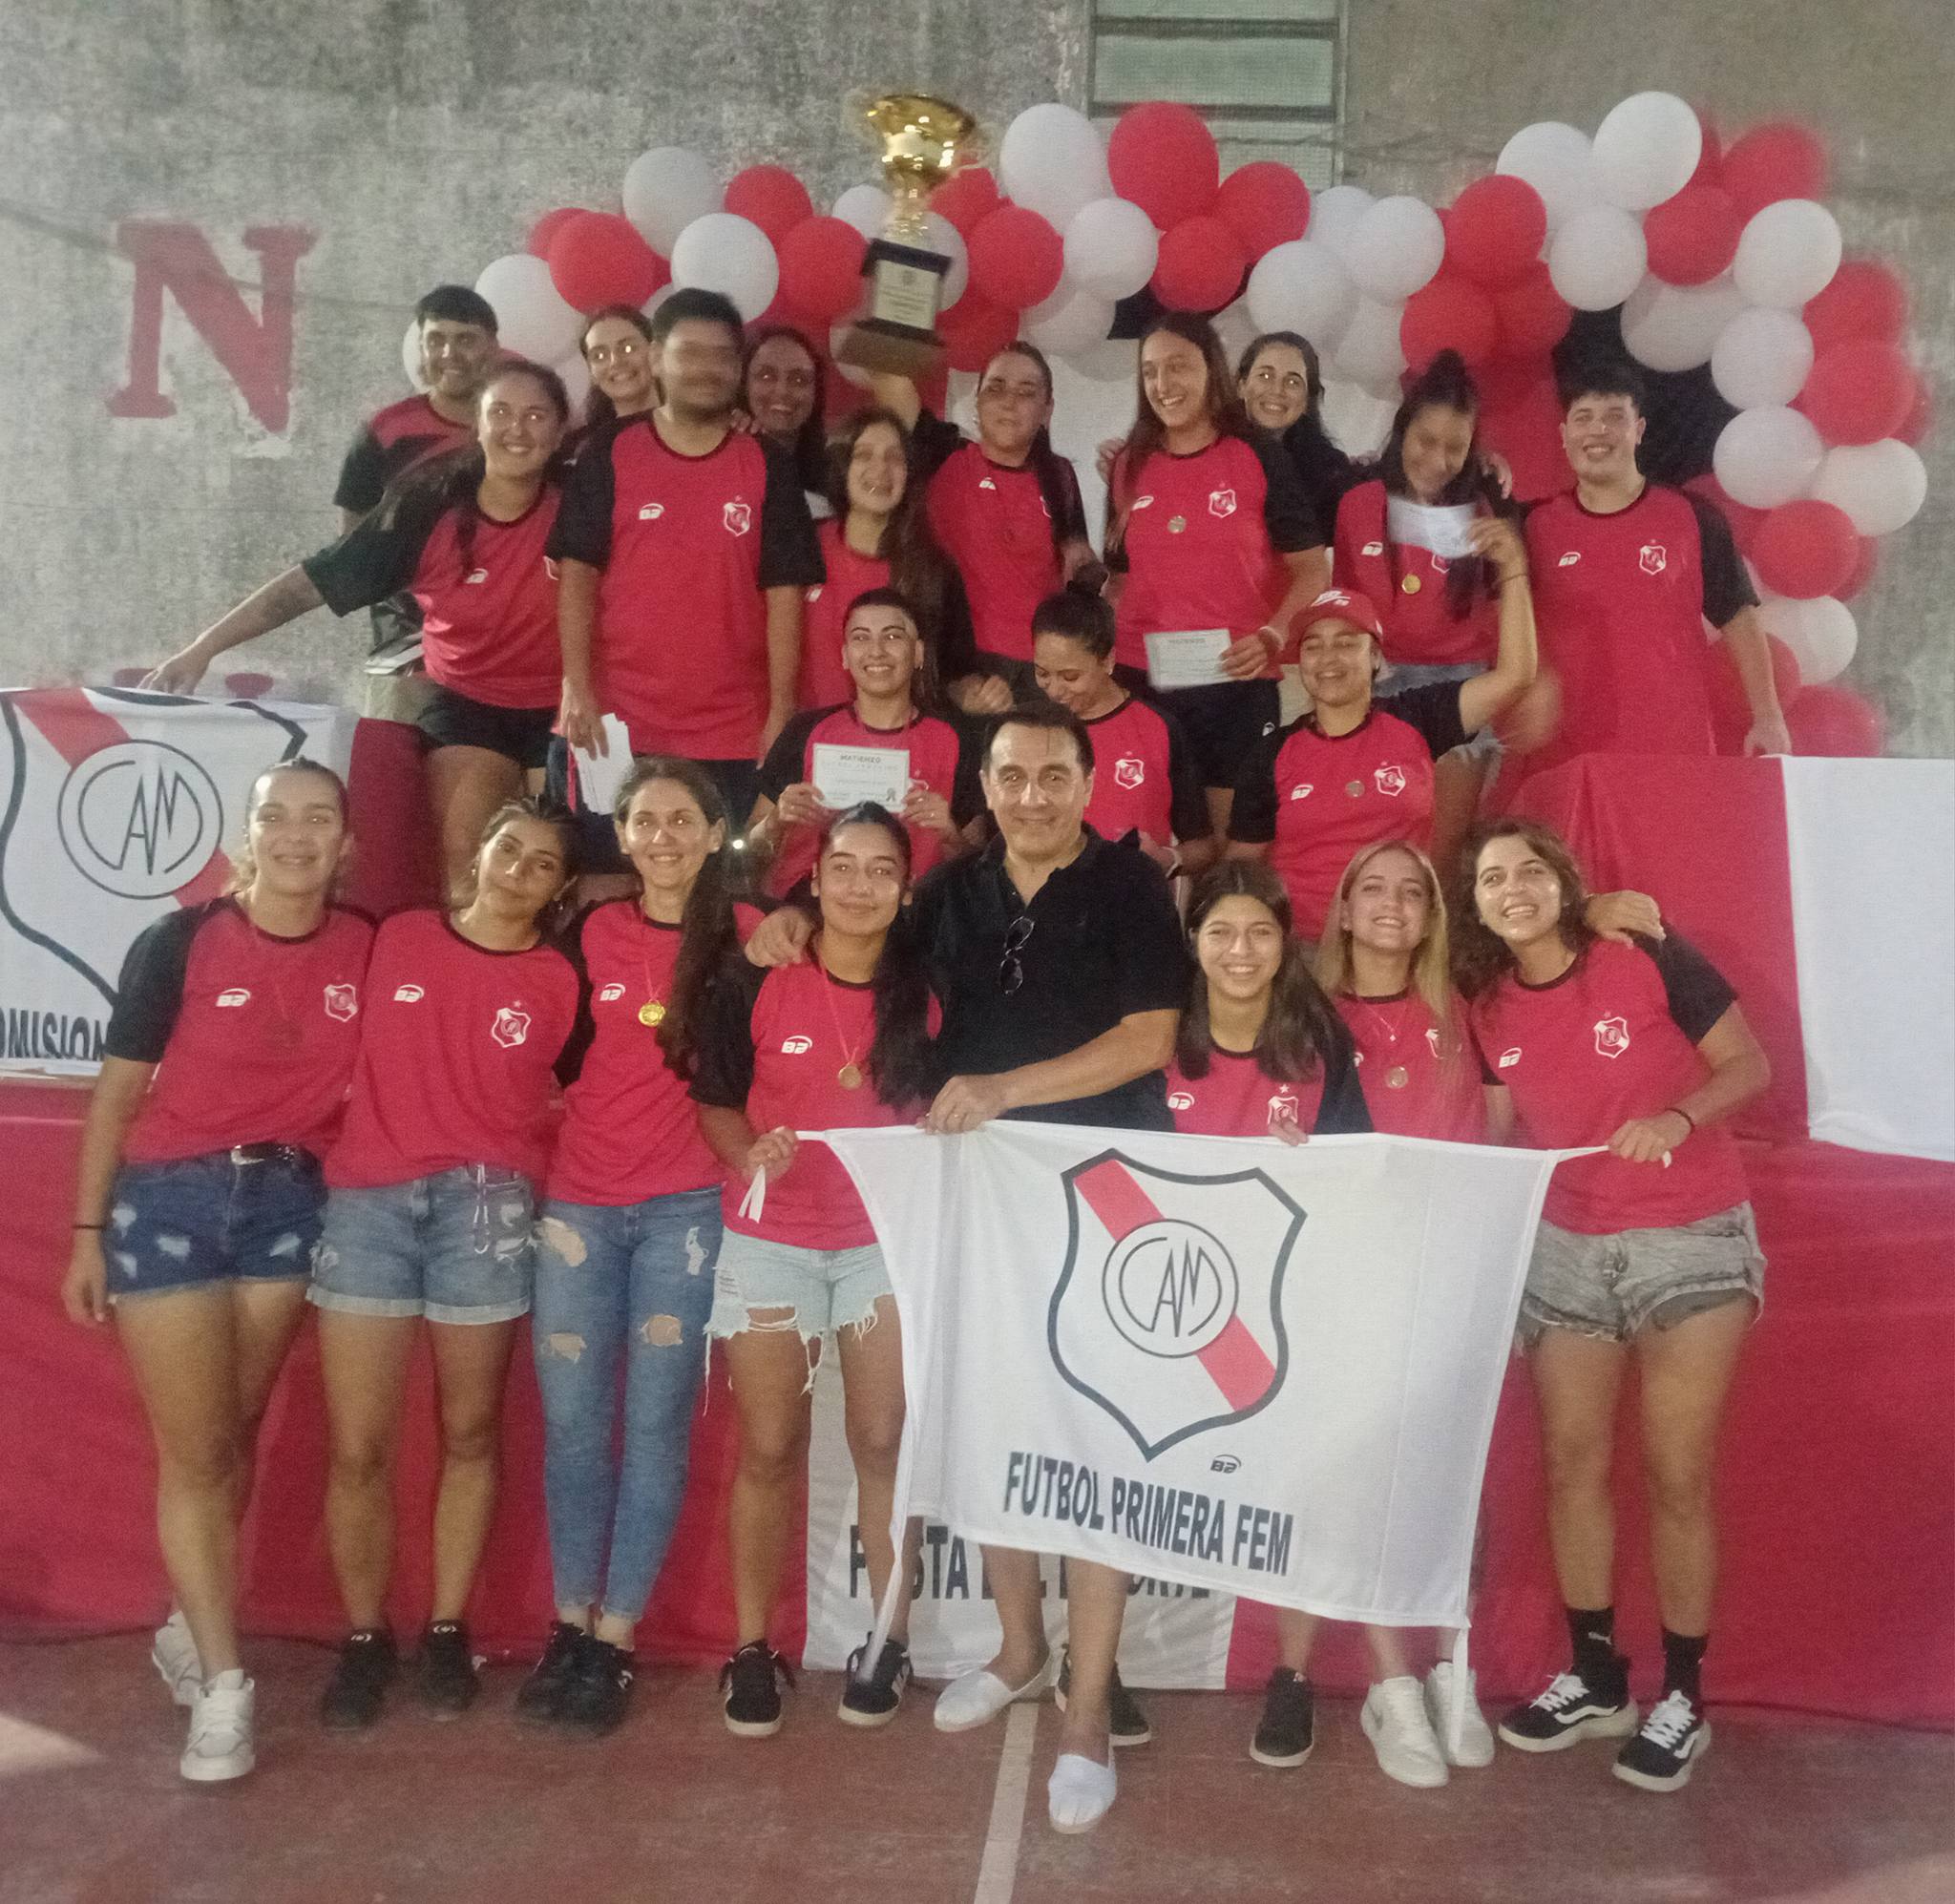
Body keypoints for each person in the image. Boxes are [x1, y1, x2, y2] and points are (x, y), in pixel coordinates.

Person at [744, 701, 1188, 1831]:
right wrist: (787, 919)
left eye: (1051, 776)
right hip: (981, 1195)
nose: (1030, 796)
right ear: (982, 786)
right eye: (1010, 777)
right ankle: (1020, 1649)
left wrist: (1003, 1091)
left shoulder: (1130, 886)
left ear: (1086, 784)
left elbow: (1149, 1038)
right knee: (1000, 1426)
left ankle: (1085, 1715)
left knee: (1095, 1445)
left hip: (1108, 1195)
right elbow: (858, 942)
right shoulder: (949, 892)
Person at [60, 761, 371, 1783]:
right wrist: (86, 1233)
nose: (296, 836)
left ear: (345, 842)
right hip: (171, 1204)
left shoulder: (368, 945)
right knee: (195, 1453)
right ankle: (226, 1684)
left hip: (289, 1204)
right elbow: (116, 1096)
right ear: (247, 835)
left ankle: (187, 1628)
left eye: (317, 819)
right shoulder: (179, 941)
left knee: (231, 1433)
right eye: (275, 817)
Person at [1456, 818, 1771, 1793]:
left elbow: (1750, 1065)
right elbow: (1499, 1137)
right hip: (1565, 1247)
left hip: (1689, 1234)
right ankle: (1598, 1680)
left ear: (1564, 881)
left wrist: (1675, 1117)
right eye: (1490, 879)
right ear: (1475, 906)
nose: (1512, 889)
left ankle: (1683, 1695)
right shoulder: (1485, 1006)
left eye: (1528, 871)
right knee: (1571, 1464)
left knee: (1675, 1473)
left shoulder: (1643, 950)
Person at [309, 802, 579, 1730]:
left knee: (470, 1431)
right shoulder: (397, 936)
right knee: (358, 1445)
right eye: (510, 849)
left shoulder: (559, 979)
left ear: (559, 888)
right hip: (369, 1205)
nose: (519, 869)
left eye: (541, 864)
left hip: (486, 1213)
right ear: (481, 852)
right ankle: (363, 1635)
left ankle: (447, 1629)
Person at [519, 760, 753, 1736]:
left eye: (680, 820)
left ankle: (615, 1638)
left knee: (654, 1428)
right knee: (574, 1426)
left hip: (684, 1213)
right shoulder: (587, 933)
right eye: (644, 821)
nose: (662, 837)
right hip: (578, 1209)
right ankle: (568, 1624)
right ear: (621, 836)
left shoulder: (749, 934)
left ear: (713, 833)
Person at [693, 806, 936, 1737]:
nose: (860, 886)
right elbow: (715, 1103)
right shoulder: (755, 979)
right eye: (844, 867)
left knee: (880, 1441)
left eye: (882, 871)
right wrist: (747, 1152)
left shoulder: (928, 991)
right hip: (772, 1242)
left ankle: (887, 1638)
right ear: (816, 879)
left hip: (883, 1244)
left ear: (904, 890)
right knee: (767, 1447)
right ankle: (752, 1646)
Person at [146, 362, 573, 892]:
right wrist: (203, 648)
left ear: (561, 430)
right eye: (501, 412)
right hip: (471, 705)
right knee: (467, 860)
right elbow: (307, 585)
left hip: (572, 706)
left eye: (535, 415)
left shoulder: (585, 502)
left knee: (567, 865)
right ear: (478, 425)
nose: (517, 429)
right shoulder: (425, 508)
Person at [552, 287, 824, 835]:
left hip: (732, 730)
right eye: (690, 353)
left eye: (722, 356)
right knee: (604, 872)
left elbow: (784, 595)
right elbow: (577, 575)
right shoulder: (609, 451)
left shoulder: (767, 462)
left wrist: (780, 713)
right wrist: (577, 686)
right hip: (613, 722)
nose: (707, 369)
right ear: (656, 358)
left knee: (723, 876)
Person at [1105, 313, 1332, 836]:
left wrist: (1273, 635)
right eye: (1150, 371)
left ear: (1213, 369)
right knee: (1148, 841)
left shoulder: (1257, 454)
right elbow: (1119, 580)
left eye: (1178, 366)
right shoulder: (1128, 465)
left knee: (1231, 847)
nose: (1163, 384)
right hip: (1145, 680)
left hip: (1236, 681)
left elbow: (1311, 569)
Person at [1515, 358, 1791, 775]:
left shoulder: (1691, 518)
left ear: (1639, 429)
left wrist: (1768, 717)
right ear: (1564, 435)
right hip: (1567, 758)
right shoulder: (1532, 527)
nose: (1598, 430)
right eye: (1583, 418)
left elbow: (1739, 619)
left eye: (1615, 417)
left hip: (1675, 748)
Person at [1226, 581, 1535, 946]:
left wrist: (1513, 572)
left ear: (1374, 656)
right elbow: (1240, 867)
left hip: (1397, 936)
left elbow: (1515, 678)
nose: (1328, 658)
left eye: (1345, 643)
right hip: (1305, 948)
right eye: (1313, 646)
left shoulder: (1416, 718)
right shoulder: (1272, 754)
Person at [1334, 350, 1524, 869]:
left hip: (1460, 687)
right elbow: (1344, 605)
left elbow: (1509, 608)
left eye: (1455, 448)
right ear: (1402, 431)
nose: (1438, 460)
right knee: (1375, 850)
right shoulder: (1357, 504)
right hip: (1379, 684)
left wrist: (1508, 551)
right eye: (1426, 440)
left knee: (1439, 855)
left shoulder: (1485, 509)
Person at [874, 344, 1097, 701]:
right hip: (963, 672)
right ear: (976, 401)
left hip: (1046, 675)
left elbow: (1077, 572)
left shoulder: (1060, 476)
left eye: (1026, 392)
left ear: (1047, 410)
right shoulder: (944, 457)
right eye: (996, 388)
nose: (1009, 402)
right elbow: (890, 375)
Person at [747, 587, 978, 897]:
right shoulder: (805, 731)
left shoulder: (956, 740)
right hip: (804, 904)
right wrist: (774, 822)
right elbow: (746, 853)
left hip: (914, 909)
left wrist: (949, 833)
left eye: (892, 636)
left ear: (919, 653)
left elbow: (978, 871)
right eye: (861, 638)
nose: (876, 651)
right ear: (845, 655)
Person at [336, 285, 501, 709]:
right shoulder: (385, 431)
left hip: (505, 655)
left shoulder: (519, 432)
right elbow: (354, 544)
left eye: (466, 340)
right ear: (422, 347)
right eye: (436, 340)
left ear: (493, 347)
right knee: (395, 749)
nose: (450, 354)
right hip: (405, 652)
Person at [1167, 859, 1367, 1140]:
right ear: (1194, 940)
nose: (1241, 950)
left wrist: (1306, 1155)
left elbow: (1351, 1156)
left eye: (1261, 932)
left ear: (1284, 940)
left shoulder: (1324, 1038)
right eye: (1220, 932)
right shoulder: (1161, 1036)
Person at [798, 408, 977, 712]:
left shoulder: (932, 571)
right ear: (843, 467)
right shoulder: (802, 546)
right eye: (864, 455)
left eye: (894, 458)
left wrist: (973, 692)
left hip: (897, 736)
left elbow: (954, 673)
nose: (880, 469)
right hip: (809, 733)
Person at [1030, 587, 1213, 879]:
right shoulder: (1025, 731)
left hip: (1131, 898)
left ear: (1107, 661)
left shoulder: (1157, 729)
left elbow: (1203, 847)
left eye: (1070, 676)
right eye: (1042, 674)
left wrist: (1168, 859)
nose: (1054, 690)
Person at [742, 324, 829, 513]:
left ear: (816, 393)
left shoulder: (836, 478)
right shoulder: (717, 457)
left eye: (799, 380)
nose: (782, 391)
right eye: (766, 376)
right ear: (744, 384)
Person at [576, 303, 659, 440]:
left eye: (628, 348)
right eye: (599, 356)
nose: (615, 361)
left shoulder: (693, 421)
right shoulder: (595, 449)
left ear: (655, 353)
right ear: (592, 373)